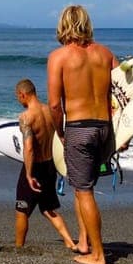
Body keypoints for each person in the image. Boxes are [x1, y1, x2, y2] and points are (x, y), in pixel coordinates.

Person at [47, 5, 119, 264]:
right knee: (83, 186)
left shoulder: (59, 57)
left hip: (79, 128)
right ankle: (85, 242)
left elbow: (55, 105)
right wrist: (124, 134)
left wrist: (60, 132)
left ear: (63, 24)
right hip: (104, 129)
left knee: (84, 190)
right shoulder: (106, 54)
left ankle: (98, 255)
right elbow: (124, 96)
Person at [13, 78, 78, 251]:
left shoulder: (26, 117)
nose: (18, 101)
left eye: (18, 97)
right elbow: (60, 136)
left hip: (35, 168)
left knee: (22, 210)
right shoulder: (50, 111)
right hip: (50, 165)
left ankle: (18, 247)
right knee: (48, 208)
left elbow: (29, 149)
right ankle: (69, 241)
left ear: (23, 94)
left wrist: (28, 174)